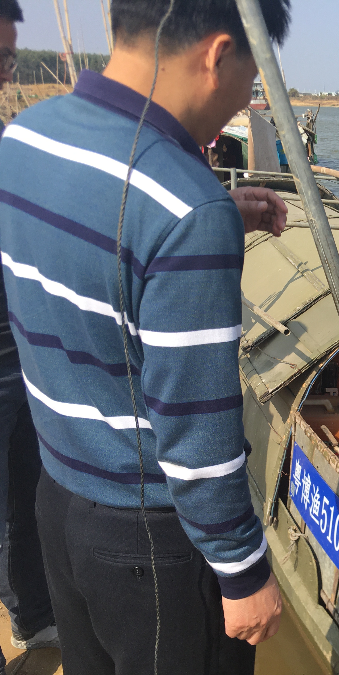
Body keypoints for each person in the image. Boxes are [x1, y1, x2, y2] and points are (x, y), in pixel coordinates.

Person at [0, 1, 292, 673]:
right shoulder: (186, 206)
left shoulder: (25, 138)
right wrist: (243, 570)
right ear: (218, 53)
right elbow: (195, 433)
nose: (244, 100)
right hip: (150, 545)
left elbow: (82, 255)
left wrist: (204, 218)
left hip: (59, 492)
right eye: (252, 78)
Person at [0, 3, 58, 673]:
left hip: (20, 352)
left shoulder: (9, 144)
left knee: (27, 496)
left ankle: (33, 615)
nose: (8, 73)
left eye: (11, 58)